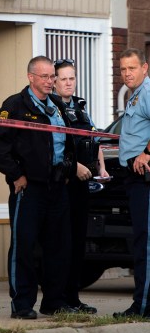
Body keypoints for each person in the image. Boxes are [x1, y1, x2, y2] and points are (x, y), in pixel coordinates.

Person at [0, 55, 77, 320]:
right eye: (46, 77)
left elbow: (67, 143)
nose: (51, 82)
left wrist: (69, 171)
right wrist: (16, 175)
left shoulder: (57, 107)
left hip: (57, 185)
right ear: (31, 77)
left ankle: (54, 301)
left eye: (53, 76)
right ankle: (22, 304)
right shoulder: (15, 105)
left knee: (58, 247)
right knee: (24, 247)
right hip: (29, 188)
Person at [53, 58, 109, 314]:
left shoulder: (81, 106)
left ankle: (73, 298)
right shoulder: (51, 108)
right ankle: (60, 299)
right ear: (54, 81)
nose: (68, 83)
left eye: (71, 78)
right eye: (63, 78)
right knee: (62, 243)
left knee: (77, 242)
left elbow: (93, 138)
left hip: (84, 185)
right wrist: (74, 167)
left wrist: (102, 168)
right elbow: (55, 147)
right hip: (63, 183)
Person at [114, 48, 150, 318]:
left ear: (145, 68)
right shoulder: (135, 95)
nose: (127, 73)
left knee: (145, 243)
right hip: (132, 177)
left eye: (132, 68)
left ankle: (143, 306)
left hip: (144, 177)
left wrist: (147, 152)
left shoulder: (147, 92)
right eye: (123, 69)